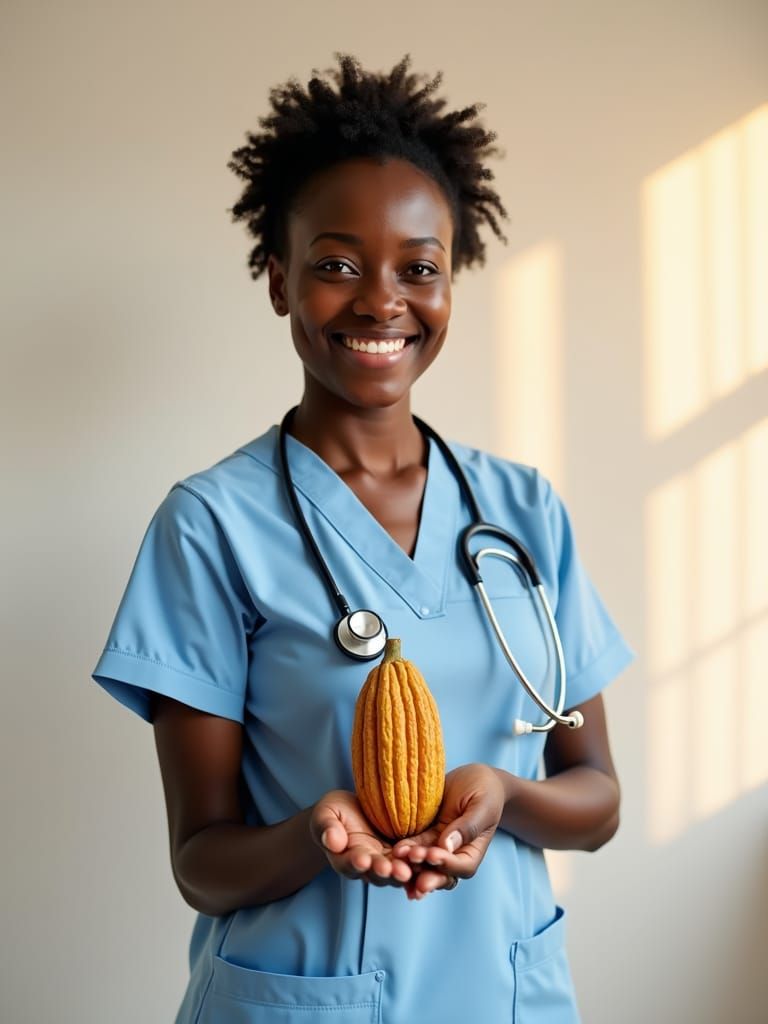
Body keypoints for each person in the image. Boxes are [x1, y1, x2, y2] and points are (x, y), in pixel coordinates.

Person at [92, 54, 634, 1023]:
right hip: (300, 1000)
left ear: (450, 285)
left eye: (419, 268)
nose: (383, 301)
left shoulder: (522, 512)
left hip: (506, 998)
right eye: (337, 263)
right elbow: (200, 860)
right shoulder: (213, 526)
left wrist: (505, 795)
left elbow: (597, 797)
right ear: (278, 279)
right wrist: (317, 834)